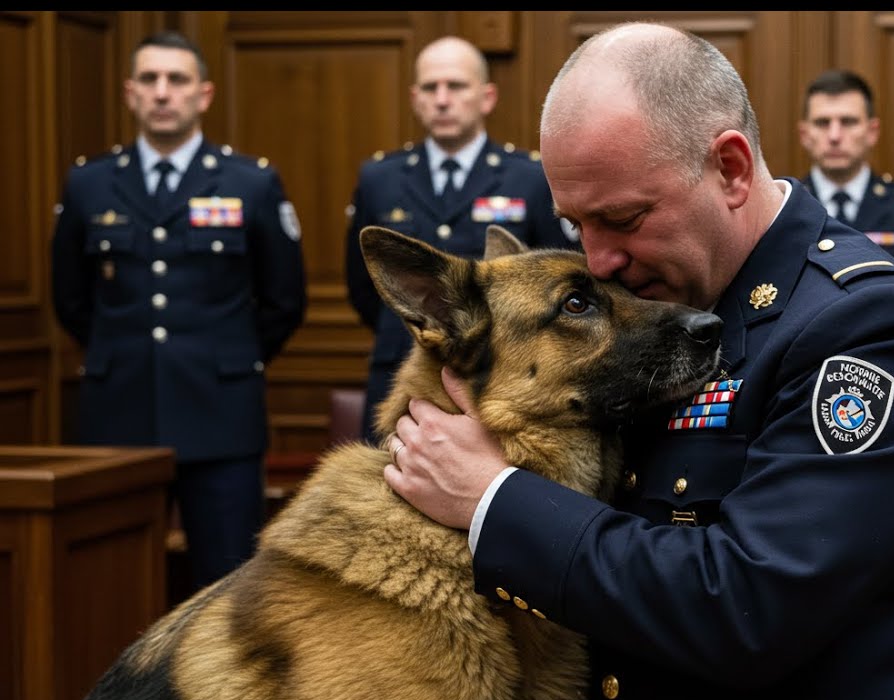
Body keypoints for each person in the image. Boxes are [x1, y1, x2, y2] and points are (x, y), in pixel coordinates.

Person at [382, 22, 894, 700]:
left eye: (624, 219)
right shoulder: (657, 305)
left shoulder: (864, 328)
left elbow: (748, 612)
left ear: (731, 168)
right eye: (577, 225)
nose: (598, 261)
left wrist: (491, 497)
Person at [50, 31, 307, 593]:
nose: (162, 92)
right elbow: (69, 298)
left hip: (221, 415)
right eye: (149, 79)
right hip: (118, 417)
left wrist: (227, 359)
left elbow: (284, 300)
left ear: (204, 94)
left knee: (227, 586)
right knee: (107, 585)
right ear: (130, 93)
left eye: (177, 80)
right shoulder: (90, 183)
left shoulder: (250, 182)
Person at [344, 35, 577, 443]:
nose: (442, 99)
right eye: (431, 88)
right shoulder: (379, 179)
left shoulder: (529, 177)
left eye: (456, 86)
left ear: (487, 97)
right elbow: (366, 289)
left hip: (492, 384)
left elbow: (563, 272)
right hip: (400, 376)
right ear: (415, 99)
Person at [797, 69, 894, 304]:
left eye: (848, 122)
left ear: (872, 131)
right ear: (805, 134)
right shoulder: (783, 208)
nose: (835, 135)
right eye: (822, 123)